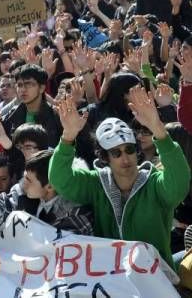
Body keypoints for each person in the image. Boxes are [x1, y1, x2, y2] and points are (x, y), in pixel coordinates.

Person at [49, 89, 191, 271]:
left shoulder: (154, 183)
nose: (125, 158)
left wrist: (158, 130)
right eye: (116, 153)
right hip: (111, 281)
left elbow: (179, 182)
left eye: (129, 150)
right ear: (105, 157)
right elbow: (60, 180)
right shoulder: (96, 184)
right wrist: (68, 137)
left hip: (156, 280)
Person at [0, 149, 93, 235]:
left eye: (29, 180)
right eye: (24, 177)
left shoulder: (77, 214)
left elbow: (68, 252)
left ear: (50, 186)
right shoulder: (22, 194)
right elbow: (1, 210)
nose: (23, 183)